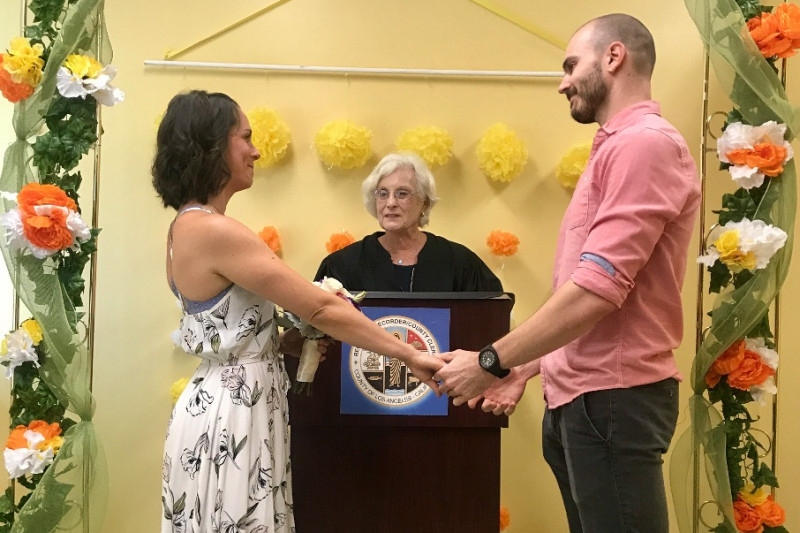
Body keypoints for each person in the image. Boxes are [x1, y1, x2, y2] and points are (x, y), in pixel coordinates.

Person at [435, 14, 700, 533]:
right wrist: (523, 369)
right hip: (582, 401)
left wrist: (489, 361)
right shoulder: (615, 148)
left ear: (614, 57)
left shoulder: (643, 145)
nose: (563, 82)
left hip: (612, 401)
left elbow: (596, 292)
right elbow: (580, 291)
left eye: (571, 65)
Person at [152, 90, 443, 533]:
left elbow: (222, 326)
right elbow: (320, 306)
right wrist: (410, 355)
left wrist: (280, 342)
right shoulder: (214, 230)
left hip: (230, 403)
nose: (256, 151)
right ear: (211, 145)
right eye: (245, 137)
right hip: (232, 414)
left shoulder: (186, 226)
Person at [314, 152, 502, 292]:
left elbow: (492, 317)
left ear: (424, 202)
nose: (390, 203)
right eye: (383, 193)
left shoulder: (460, 263)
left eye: (402, 193)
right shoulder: (342, 265)